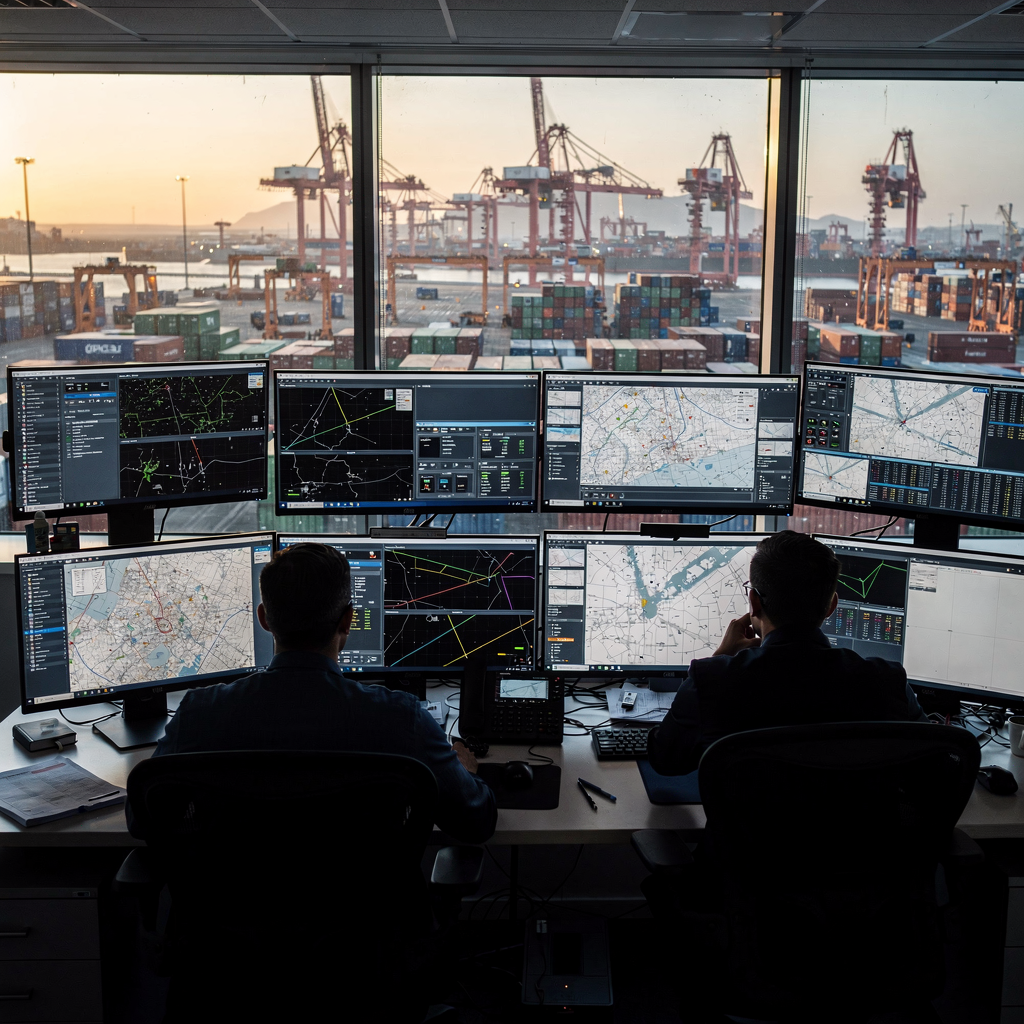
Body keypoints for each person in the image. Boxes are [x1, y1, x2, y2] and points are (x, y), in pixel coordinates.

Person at [146, 542, 496, 844]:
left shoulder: (199, 714)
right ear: (347, 621)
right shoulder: (401, 719)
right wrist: (466, 772)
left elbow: (144, 818)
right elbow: (475, 822)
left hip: (227, 920)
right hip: (365, 921)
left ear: (264, 619)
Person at [647, 530, 927, 777]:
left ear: (754, 602)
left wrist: (719, 658)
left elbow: (665, 760)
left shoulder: (713, 681)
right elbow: (935, 763)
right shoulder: (889, 683)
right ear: (831, 606)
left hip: (749, 838)